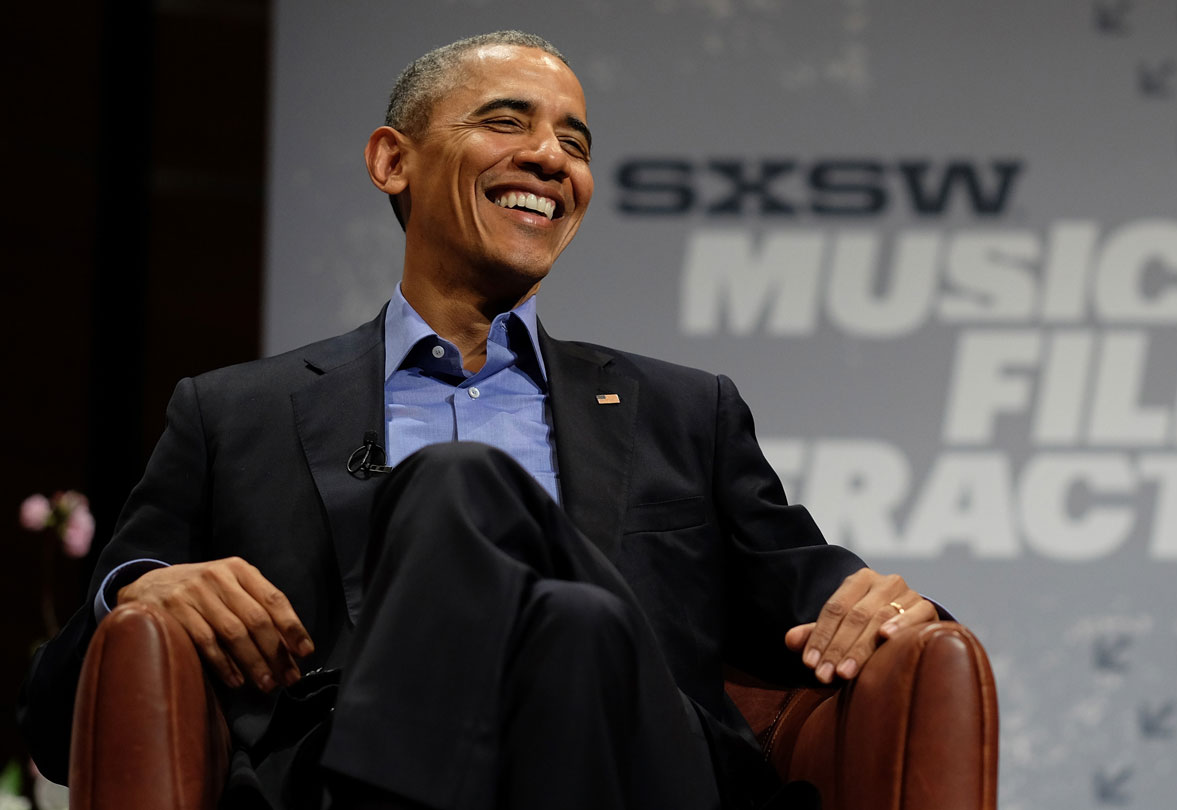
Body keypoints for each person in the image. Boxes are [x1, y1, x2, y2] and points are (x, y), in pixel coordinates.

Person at [18, 30, 941, 810]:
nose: (551, 157)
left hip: (635, 767)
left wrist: (900, 609)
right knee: (573, 622)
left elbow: (824, 591)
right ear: (393, 160)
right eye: (507, 120)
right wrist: (133, 587)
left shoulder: (684, 413)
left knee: (464, 490)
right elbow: (58, 725)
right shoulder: (233, 415)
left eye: (574, 143)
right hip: (326, 771)